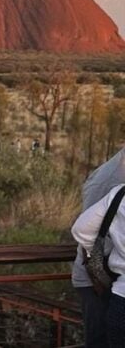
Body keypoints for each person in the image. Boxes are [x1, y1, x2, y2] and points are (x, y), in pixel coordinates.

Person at [71, 148, 125, 347]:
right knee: (100, 341)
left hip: (108, 278)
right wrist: (98, 273)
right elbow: (88, 233)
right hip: (97, 280)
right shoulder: (111, 178)